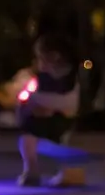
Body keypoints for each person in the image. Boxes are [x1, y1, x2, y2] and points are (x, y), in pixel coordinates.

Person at [16, 33, 82, 187]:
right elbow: (30, 98)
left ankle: (68, 172)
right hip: (44, 121)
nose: (38, 63)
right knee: (27, 137)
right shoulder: (42, 79)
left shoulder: (71, 78)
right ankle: (31, 170)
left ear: (54, 57)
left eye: (41, 57)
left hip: (65, 121)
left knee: (65, 140)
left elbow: (70, 103)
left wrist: (43, 104)